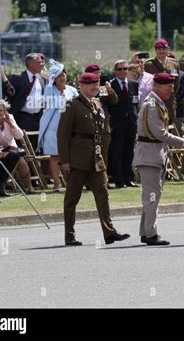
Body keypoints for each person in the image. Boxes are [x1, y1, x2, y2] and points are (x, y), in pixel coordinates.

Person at [57, 72, 130, 246]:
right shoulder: (71, 105)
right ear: (80, 86)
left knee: (103, 194)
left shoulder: (98, 103)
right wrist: (65, 160)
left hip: (96, 158)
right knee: (72, 198)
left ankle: (109, 232)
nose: (95, 87)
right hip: (78, 158)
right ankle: (69, 235)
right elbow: (62, 135)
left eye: (97, 84)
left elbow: (105, 129)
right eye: (90, 84)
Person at [133, 73, 184, 246]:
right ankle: (151, 234)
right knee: (152, 196)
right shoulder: (152, 105)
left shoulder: (156, 103)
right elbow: (159, 133)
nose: (172, 90)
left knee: (151, 196)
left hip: (153, 154)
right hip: (150, 155)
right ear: (157, 86)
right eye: (169, 87)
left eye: (172, 87)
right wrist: (182, 142)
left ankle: (146, 231)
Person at [38, 61, 78, 193]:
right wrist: (49, 85)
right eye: (59, 75)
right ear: (54, 79)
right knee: (55, 157)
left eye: (64, 74)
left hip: (69, 129)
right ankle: (56, 185)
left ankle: (70, 183)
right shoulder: (50, 90)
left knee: (70, 156)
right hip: (52, 130)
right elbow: (47, 102)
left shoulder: (72, 90)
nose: (62, 77)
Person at [0, 99, 34, 194]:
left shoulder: (10, 118)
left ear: (5, 111)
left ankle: (30, 187)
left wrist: (10, 124)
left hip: (12, 148)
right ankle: (0, 188)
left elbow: (20, 136)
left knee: (21, 161)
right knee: (7, 160)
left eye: (1, 110)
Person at [108, 60, 139, 188]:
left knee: (129, 151)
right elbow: (107, 104)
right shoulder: (110, 85)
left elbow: (135, 103)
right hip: (116, 123)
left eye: (125, 69)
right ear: (115, 71)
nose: (123, 71)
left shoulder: (133, 84)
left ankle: (129, 178)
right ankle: (118, 179)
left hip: (131, 123)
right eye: (120, 69)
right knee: (117, 151)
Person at [8, 53, 47, 150]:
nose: (42, 64)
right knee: (23, 146)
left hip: (37, 118)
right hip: (22, 118)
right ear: (31, 64)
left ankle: (33, 165)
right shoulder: (18, 77)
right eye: (39, 62)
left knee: (35, 147)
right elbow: (9, 96)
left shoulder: (41, 79)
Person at [84, 62, 118, 168]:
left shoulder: (103, 87)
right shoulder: (83, 87)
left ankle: (103, 179)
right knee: (88, 153)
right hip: (89, 125)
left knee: (104, 154)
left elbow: (114, 101)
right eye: (95, 73)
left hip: (103, 126)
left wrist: (109, 89)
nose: (98, 75)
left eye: (99, 73)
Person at [144, 39, 180, 124]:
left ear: (167, 50)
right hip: (154, 101)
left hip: (169, 101)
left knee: (169, 126)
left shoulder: (174, 64)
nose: (161, 51)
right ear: (155, 50)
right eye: (159, 49)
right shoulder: (148, 64)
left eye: (164, 49)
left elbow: (177, 83)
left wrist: (170, 94)